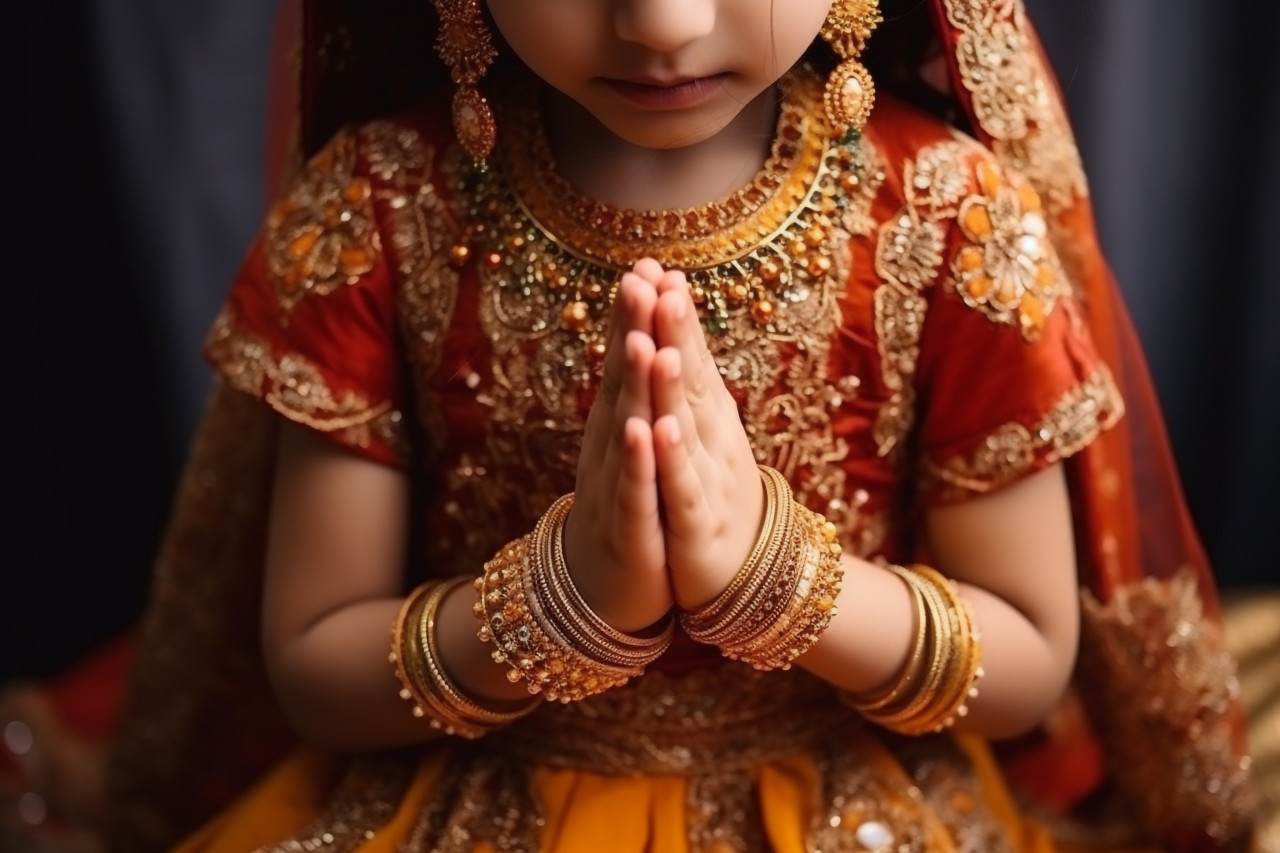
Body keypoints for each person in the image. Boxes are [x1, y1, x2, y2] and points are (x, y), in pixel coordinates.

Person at [10, 0, 1261, 851]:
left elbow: (1028, 656)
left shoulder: (943, 216)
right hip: (463, 799)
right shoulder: (383, 208)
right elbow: (314, 665)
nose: (659, 20)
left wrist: (780, 581)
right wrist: (554, 605)